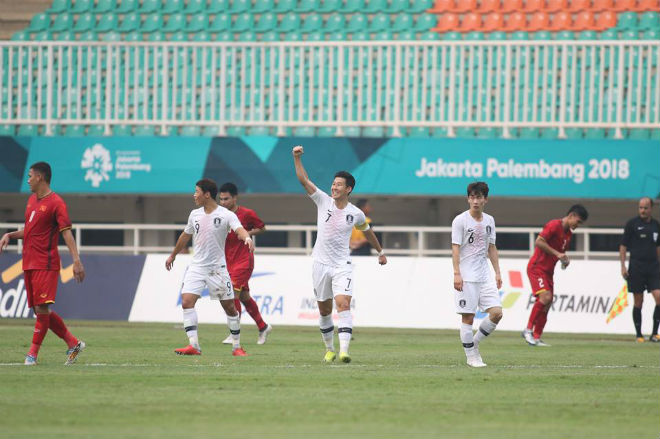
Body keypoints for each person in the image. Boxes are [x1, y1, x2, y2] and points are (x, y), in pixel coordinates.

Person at [292, 145, 387, 363]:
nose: (334, 187)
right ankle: (329, 349)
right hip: (320, 264)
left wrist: (380, 252)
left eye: (339, 185)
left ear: (348, 189)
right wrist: (297, 158)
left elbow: (368, 232)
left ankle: (344, 351)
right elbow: (304, 180)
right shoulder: (322, 200)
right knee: (324, 310)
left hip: (342, 265)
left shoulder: (356, 214)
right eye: (333, 184)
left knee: (343, 303)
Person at [0, 162, 86, 366]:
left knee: (42, 308)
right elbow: (30, 231)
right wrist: (10, 235)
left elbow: (67, 234)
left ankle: (32, 355)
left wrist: (76, 261)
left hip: (46, 263)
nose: (28, 180)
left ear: (40, 177)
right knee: (40, 311)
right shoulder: (31, 201)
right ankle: (74, 343)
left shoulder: (56, 203)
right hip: (29, 263)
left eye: (30, 176)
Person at [165, 178, 255, 357]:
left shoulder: (226, 215)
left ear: (206, 194)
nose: (194, 195)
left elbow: (239, 229)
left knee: (230, 307)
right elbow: (185, 235)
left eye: (197, 192)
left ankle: (236, 346)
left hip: (217, 270)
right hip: (197, 267)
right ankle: (193, 345)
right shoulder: (194, 215)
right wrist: (173, 254)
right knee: (186, 302)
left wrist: (247, 238)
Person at [451, 181, 503, 368]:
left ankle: (474, 342)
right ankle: (471, 357)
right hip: (467, 276)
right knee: (468, 318)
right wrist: (457, 273)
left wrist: (497, 272)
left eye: (478, 197)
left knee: (497, 313)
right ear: (468, 199)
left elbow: (492, 247)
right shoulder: (460, 220)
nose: (475, 201)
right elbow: (455, 248)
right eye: (472, 197)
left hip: (485, 275)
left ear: (485, 200)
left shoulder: (490, 220)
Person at [522, 204, 589, 347]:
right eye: (578, 222)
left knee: (548, 302)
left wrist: (564, 261)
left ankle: (536, 337)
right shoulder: (554, 225)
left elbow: (560, 253)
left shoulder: (568, 235)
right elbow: (539, 241)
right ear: (571, 216)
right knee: (545, 297)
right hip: (537, 267)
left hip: (548, 271)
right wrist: (558, 254)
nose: (578, 225)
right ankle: (527, 330)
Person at [218, 182, 273, 345]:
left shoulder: (247, 214)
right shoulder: (220, 215)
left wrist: (246, 233)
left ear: (235, 198)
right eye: (221, 199)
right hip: (228, 261)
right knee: (244, 297)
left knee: (231, 295)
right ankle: (263, 327)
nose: (223, 202)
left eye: (226, 199)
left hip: (244, 261)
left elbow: (262, 228)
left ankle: (234, 333)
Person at [619, 197, 660, 343]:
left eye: (645, 208)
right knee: (638, 301)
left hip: (653, 268)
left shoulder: (656, 225)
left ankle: (655, 334)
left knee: (659, 297)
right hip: (636, 267)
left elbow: (658, 247)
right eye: (640, 207)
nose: (642, 210)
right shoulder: (632, 224)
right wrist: (623, 266)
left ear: (651, 209)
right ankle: (639, 335)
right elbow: (623, 246)